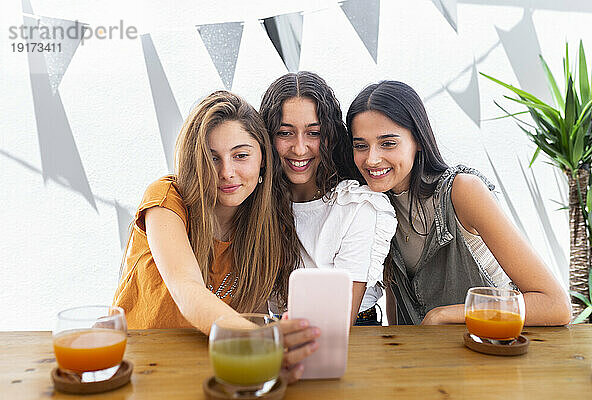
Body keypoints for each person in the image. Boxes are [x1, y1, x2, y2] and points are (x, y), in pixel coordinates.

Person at [113, 91, 318, 382]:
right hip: (137, 364)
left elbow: (249, 316)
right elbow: (188, 288)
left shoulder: (268, 228)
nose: (227, 172)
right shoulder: (166, 200)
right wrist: (265, 342)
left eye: (241, 155)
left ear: (263, 160)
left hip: (208, 369)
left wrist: (269, 358)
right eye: (212, 158)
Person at [345, 80, 571, 326]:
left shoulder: (463, 190)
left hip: (491, 350)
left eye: (388, 143)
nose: (372, 159)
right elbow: (396, 302)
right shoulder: (373, 206)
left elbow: (554, 305)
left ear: (418, 140)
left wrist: (443, 315)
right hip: (426, 359)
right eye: (360, 146)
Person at [259, 72, 397, 325]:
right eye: (285, 133)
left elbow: (338, 320)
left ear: (330, 137)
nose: (299, 148)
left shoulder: (356, 206)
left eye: (313, 133)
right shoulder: (259, 202)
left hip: (351, 336)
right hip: (278, 333)